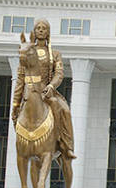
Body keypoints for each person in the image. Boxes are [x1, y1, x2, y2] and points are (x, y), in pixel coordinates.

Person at [11, 18, 75, 158]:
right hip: (30, 92)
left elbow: (59, 73)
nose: (40, 30)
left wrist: (51, 86)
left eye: (43, 28)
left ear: (48, 32)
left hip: (48, 92)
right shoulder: (27, 51)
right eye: (38, 27)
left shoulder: (55, 54)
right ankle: (23, 142)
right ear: (34, 31)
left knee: (64, 109)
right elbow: (20, 80)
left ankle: (65, 143)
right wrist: (15, 103)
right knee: (20, 113)